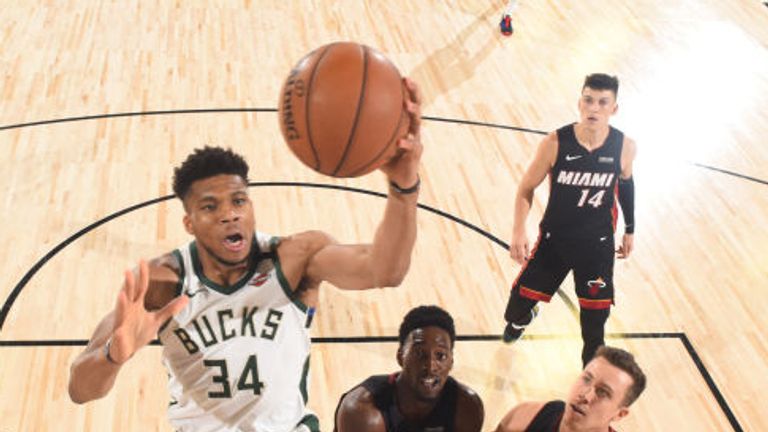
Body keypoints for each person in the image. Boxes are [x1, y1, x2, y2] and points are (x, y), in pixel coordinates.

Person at [68, 79, 424, 432]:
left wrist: (404, 188)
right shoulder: (164, 282)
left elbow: (384, 271)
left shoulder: (296, 260)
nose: (230, 214)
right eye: (211, 207)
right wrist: (112, 357)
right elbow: (79, 390)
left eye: (238, 201)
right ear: (189, 223)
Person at [503, 73, 637, 367]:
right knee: (512, 313)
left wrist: (630, 229)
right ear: (579, 102)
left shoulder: (625, 146)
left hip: (597, 249)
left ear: (614, 109)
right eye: (588, 100)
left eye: (603, 103)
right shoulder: (555, 143)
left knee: (594, 334)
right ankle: (525, 316)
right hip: (555, 242)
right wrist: (518, 230)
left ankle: (588, 393)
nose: (594, 108)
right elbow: (526, 187)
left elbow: (626, 184)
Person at [334, 305, 484, 432]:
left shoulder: (466, 408)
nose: (431, 366)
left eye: (440, 356)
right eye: (420, 354)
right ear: (401, 357)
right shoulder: (363, 412)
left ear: (451, 362)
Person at [494, 346, 646, 432]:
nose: (586, 395)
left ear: (619, 414)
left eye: (603, 392)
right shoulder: (524, 417)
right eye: (587, 379)